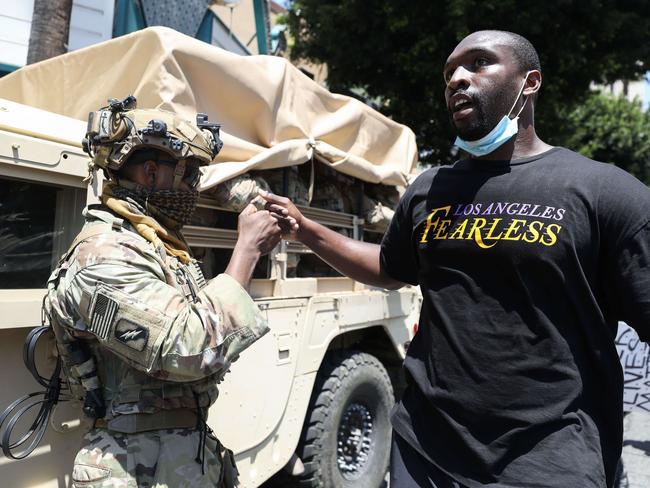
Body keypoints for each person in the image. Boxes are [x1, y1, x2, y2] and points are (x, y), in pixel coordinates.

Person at [260, 31, 650, 488]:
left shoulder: (605, 191)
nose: (457, 79)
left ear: (529, 82)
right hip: (425, 449)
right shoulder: (430, 189)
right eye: (449, 73)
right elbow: (390, 269)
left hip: (550, 458)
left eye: (479, 64)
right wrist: (306, 229)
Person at [45, 97, 293, 487]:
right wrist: (246, 250)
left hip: (177, 457)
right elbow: (188, 348)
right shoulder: (103, 256)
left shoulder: (154, 244)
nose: (195, 188)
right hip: (133, 466)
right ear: (150, 172)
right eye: (190, 174)